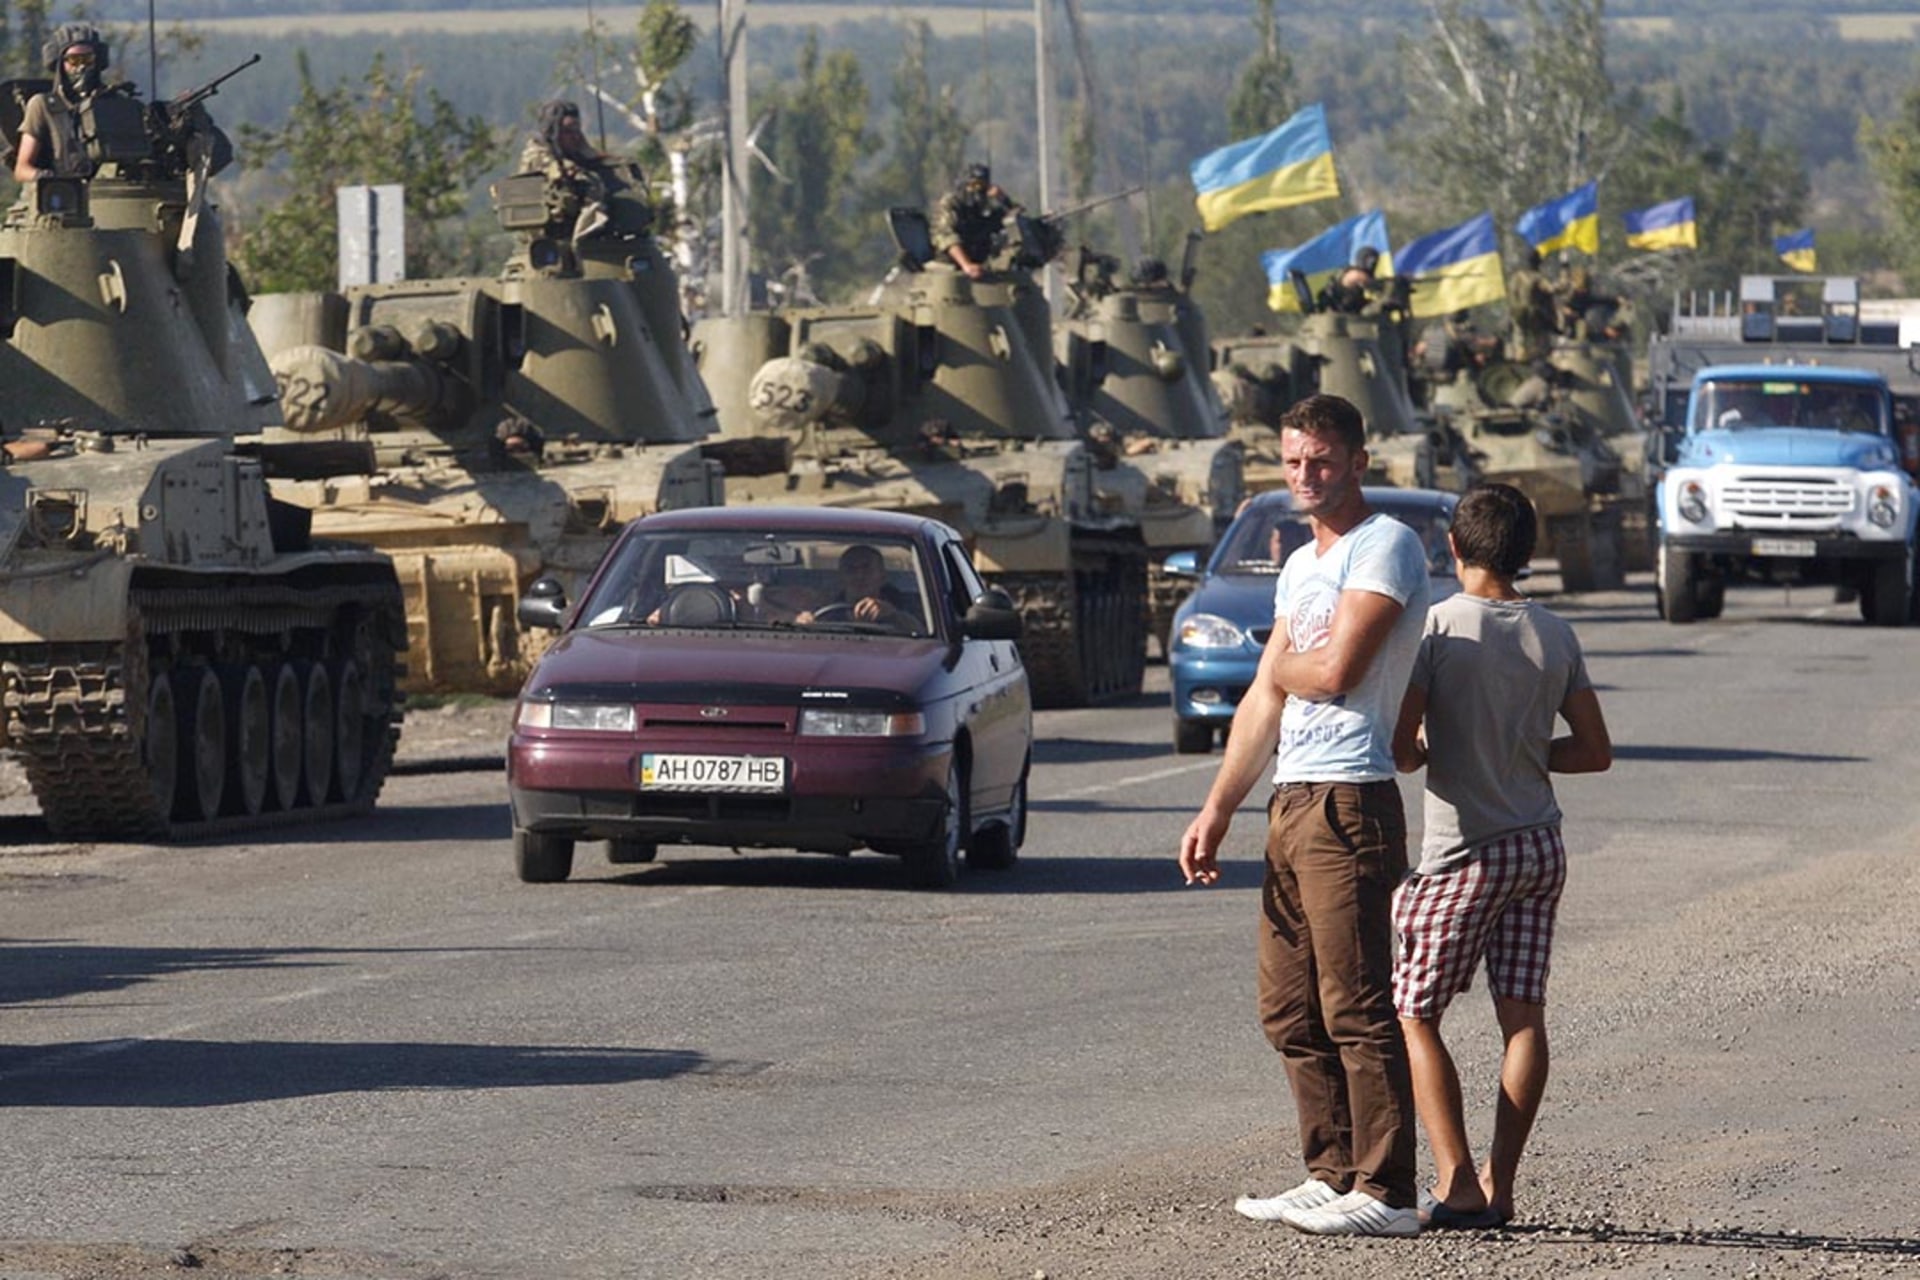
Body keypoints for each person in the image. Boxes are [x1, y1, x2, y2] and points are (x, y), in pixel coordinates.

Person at [1178, 392, 1432, 1239]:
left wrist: (1284, 663)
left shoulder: (1385, 545)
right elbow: (1267, 697)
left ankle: (1389, 1189)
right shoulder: (1298, 567)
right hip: (1292, 797)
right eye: (1292, 462)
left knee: (1356, 1001)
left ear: (1359, 461)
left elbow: (1335, 675)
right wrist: (1218, 809)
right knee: (1290, 1009)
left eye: (1320, 461)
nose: (1305, 476)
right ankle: (1331, 1173)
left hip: (1350, 798)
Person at [1389, 482, 1612, 1229]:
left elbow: (1403, 750)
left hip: (1463, 855)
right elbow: (1593, 751)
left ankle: (1455, 1182)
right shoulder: (1554, 633)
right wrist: (1524, 752)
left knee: (1415, 1012)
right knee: (1522, 1018)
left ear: (1453, 548)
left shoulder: (1438, 629)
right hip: (1538, 845)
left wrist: (1442, 748)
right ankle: (1501, 1183)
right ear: (1529, 552)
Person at [520, 99, 638, 242]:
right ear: (553, 131)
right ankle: (586, 235)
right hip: (549, 235)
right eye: (568, 131)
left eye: (577, 129)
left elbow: (591, 155)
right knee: (590, 185)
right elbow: (562, 171)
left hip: (581, 231)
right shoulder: (536, 154)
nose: (575, 136)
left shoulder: (570, 147)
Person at [13, 25, 115, 183]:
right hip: (62, 195)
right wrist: (47, 178)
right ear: (61, 63)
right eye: (74, 60)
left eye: (88, 59)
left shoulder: (114, 104)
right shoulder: (43, 105)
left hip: (108, 191)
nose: (81, 67)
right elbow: (22, 169)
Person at [795, 544, 920, 633]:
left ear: (882, 575)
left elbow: (923, 636)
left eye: (867, 568)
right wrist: (803, 625)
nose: (859, 576)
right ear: (841, 577)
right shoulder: (824, 610)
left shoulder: (907, 605)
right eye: (851, 569)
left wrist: (894, 615)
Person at [931, 163, 1020, 280]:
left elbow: (1018, 221)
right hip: (949, 267)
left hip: (980, 265)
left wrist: (1004, 200)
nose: (978, 190)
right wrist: (966, 265)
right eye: (974, 185)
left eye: (983, 186)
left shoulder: (984, 207)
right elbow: (947, 236)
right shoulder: (952, 203)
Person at [1507, 247, 1560, 364]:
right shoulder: (1538, 278)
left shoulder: (1516, 277)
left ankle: (1520, 357)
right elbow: (1551, 289)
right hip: (1534, 316)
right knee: (1541, 345)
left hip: (1517, 314)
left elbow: (1511, 296)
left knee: (1519, 341)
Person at [1319, 246, 1380, 315]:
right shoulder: (1354, 273)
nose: (1372, 264)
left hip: (1350, 311)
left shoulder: (1356, 275)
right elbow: (1366, 280)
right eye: (1371, 261)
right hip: (1337, 312)